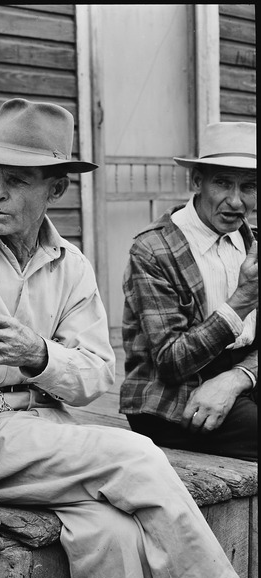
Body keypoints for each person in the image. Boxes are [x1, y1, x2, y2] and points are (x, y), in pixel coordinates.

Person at [0, 98, 247, 578]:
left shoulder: (71, 265)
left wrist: (39, 354)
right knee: (136, 455)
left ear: (57, 188)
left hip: (42, 428)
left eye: (17, 181)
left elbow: (96, 376)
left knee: (110, 532)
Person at [120, 122, 257, 461]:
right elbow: (171, 362)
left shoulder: (250, 240)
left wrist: (238, 377)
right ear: (197, 181)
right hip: (173, 393)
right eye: (222, 183)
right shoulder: (153, 249)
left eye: (249, 187)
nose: (236, 201)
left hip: (243, 373)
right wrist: (242, 300)